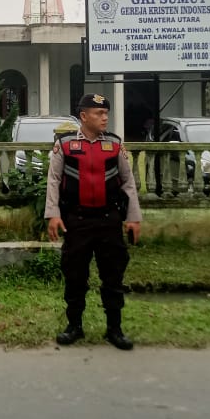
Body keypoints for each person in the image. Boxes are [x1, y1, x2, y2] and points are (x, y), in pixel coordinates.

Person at [44, 93, 142, 350]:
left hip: (109, 220)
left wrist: (133, 217)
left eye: (106, 113)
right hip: (77, 221)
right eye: (99, 113)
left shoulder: (114, 144)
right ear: (83, 116)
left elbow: (128, 181)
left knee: (113, 276)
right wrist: (53, 214)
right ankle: (74, 326)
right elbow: (53, 181)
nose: (104, 117)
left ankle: (114, 329)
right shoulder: (64, 145)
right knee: (75, 275)